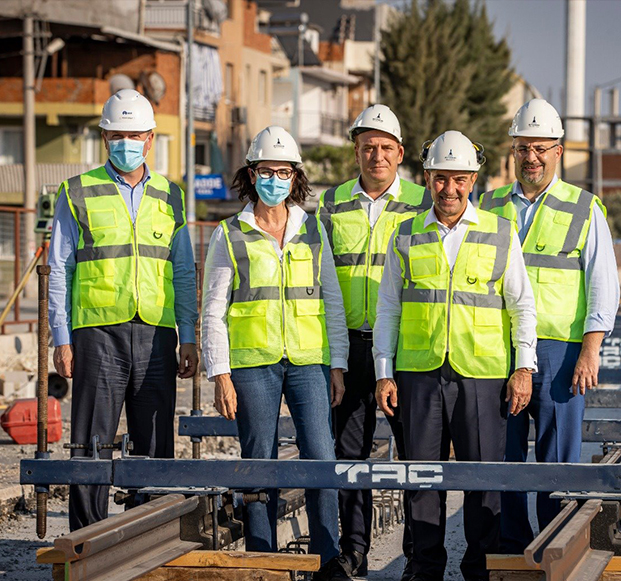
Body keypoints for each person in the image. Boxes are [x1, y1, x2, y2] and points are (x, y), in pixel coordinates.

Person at [373, 131, 538, 581]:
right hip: (418, 373)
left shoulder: (500, 232)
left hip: (482, 374)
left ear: (473, 180)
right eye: (441, 179)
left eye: (459, 179)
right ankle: (424, 567)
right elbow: (388, 306)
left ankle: (479, 569)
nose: (450, 189)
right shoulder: (405, 233)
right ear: (427, 178)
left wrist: (524, 366)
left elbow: (521, 304)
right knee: (420, 477)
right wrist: (383, 373)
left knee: (483, 480)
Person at [201, 126, 348, 580]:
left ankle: (327, 560)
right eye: (267, 171)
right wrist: (220, 375)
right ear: (252, 173)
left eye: (283, 172)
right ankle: (263, 558)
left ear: (294, 177)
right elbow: (212, 312)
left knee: (321, 457)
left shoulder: (313, 230)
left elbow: (332, 303)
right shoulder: (229, 235)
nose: (275, 179)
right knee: (258, 462)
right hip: (252, 365)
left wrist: (338, 364)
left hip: (309, 362)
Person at [48, 88, 198, 531]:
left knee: (154, 438)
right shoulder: (77, 191)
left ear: (151, 139)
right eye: (117, 135)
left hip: (156, 334)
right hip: (97, 333)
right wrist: (61, 338)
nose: (126, 144)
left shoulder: (171, 195)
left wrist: (186, 334)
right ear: (103, 136)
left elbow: (184, 271)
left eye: (135, 135)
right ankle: (88, 536)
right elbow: (59, 268)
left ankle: (150, 530)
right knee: (91, 441)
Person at [478, 98, 620, 552]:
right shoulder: (488, 203)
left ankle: (554, 545)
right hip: (498, 346)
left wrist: (591, 349)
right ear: (512, 151)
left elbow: (603, 283)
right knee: (504, 451)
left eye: (540, 148)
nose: (531, 158)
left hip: (561, 352)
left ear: (559, 150)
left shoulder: (584, 207)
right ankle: (510, 548)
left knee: (557, 457)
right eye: (523, 148)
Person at [317, 104, 431, 580]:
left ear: (400, 153)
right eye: (368, 147)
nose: (376, 156)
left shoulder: (424, 203)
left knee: (413, 455)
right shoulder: (331, 203)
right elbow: (320, 280)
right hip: (348, 348)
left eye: (385, 148)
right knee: (350, 456)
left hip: (405, 349)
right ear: (356, 151)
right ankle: (355, 552)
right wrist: (334, 355)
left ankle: (417, 556)